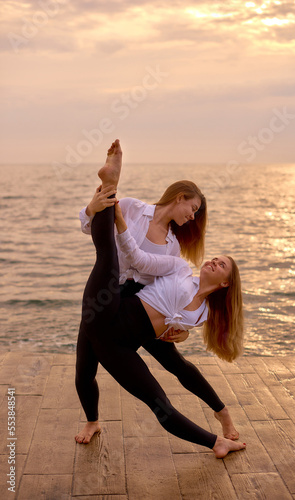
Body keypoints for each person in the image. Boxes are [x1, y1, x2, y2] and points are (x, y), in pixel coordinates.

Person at [76, 141, 246, 458]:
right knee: (107, 260)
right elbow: (89, 226)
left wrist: (178, 326)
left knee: (172, 370)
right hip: (106, 296)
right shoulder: (130, 207)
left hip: (135, 305)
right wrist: (97, 205)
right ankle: (108, 182)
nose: (192, 217)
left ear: (224, 283)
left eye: (196, 214)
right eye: (191, 209)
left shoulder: (173, 251)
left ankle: (219, 421)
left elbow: (156, 279)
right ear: (179, 197)